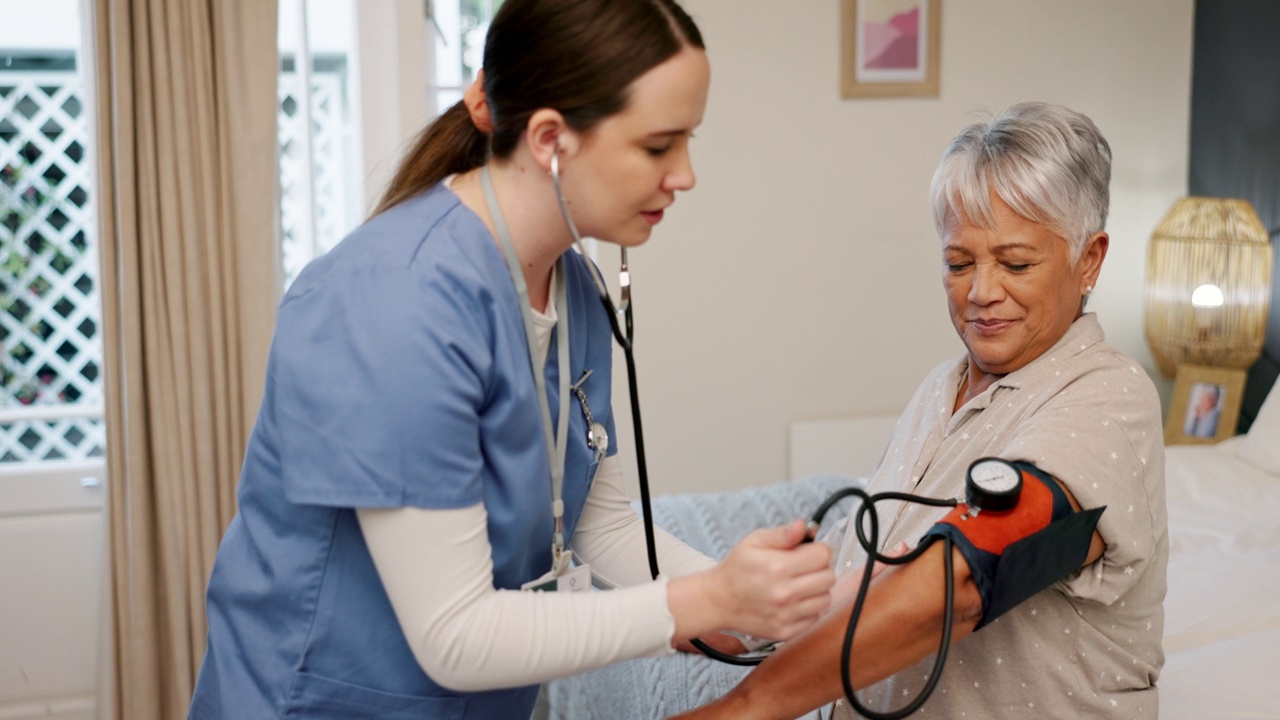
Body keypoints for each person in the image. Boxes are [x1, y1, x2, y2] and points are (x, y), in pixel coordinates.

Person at [186, 1, 836, 718]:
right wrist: (697, 602)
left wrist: (748, 599)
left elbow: (600, 524)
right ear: (551, 140)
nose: (685, 175)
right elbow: (455, 635)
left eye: (689, 141)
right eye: (659, 146)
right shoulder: (396, 303)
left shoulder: (574, 288)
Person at [670, 101, 1167, 720]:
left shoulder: (1110, 396)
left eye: (1016, 263)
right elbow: (877, 560)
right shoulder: (941, 387)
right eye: (959, 263)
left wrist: (745, 707)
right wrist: (744, 623)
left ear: (1088, 259)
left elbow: (962, 580)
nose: (981, 293)